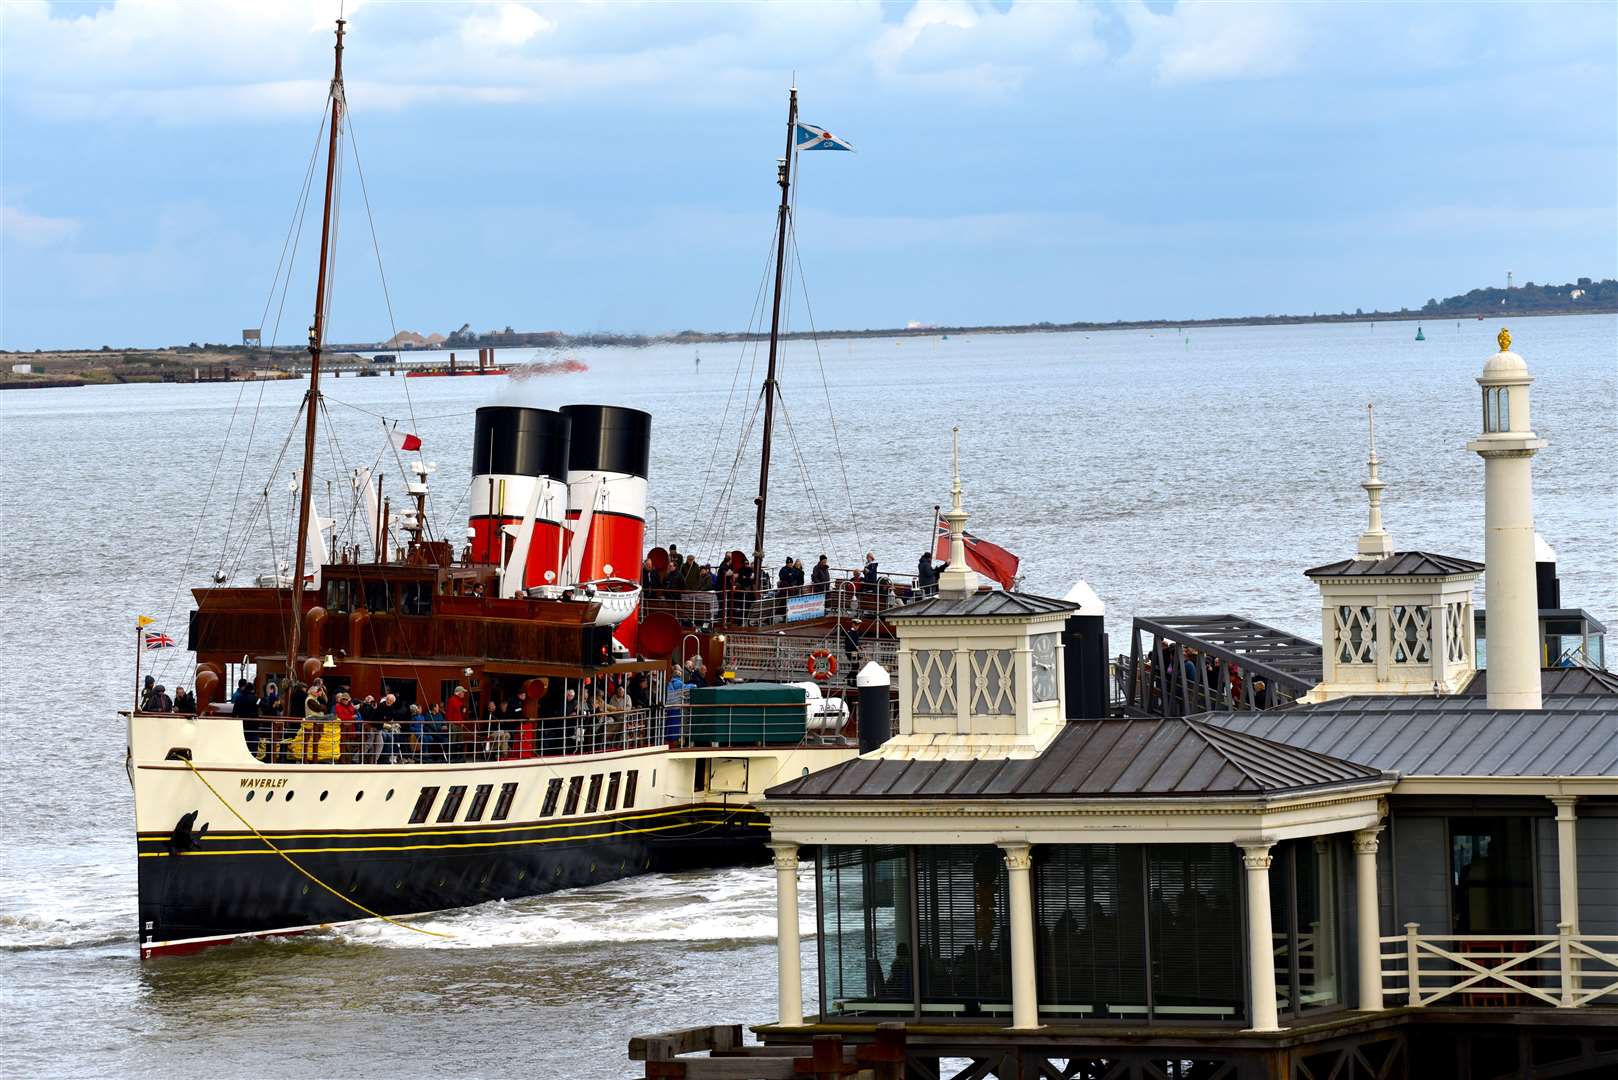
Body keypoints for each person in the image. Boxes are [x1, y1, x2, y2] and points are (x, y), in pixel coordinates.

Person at [445, 685, 469, 761]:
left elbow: (460, 713)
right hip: (454, 724)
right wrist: (450, 724)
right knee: (453, 741)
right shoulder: (452, 700)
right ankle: (452, 758)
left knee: (460, 741)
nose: (464, 694)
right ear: (459, 693)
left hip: (459, 724)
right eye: (463, 692)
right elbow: (449, 713)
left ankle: (459, 758)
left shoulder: (459, 701)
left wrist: (463, 718)